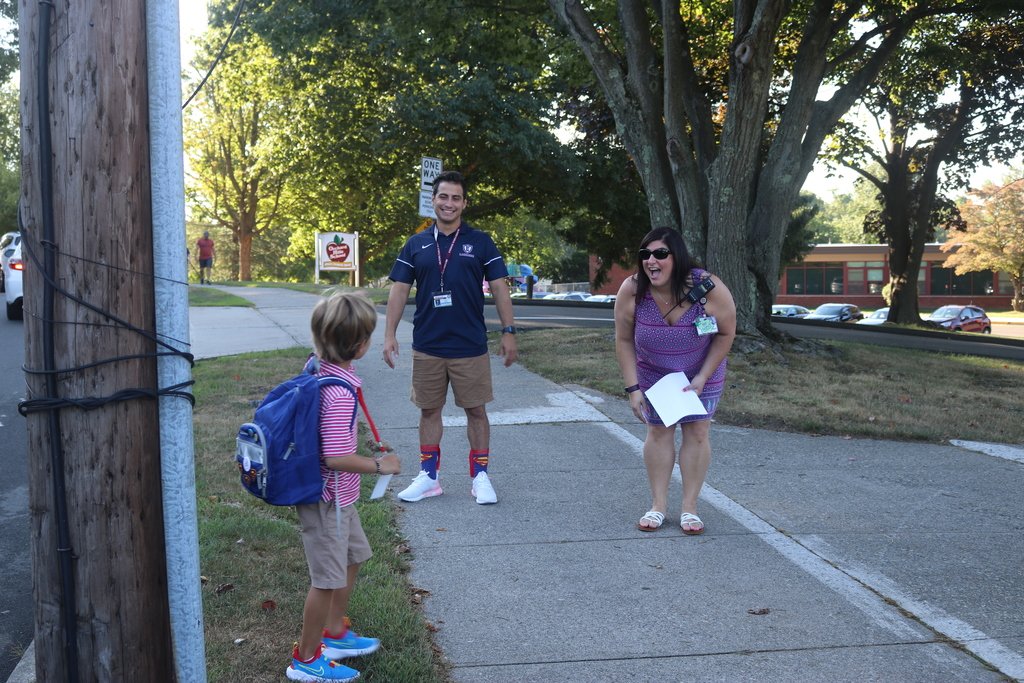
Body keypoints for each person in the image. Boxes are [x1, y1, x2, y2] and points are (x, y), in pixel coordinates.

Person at [383, 170, 518, 505]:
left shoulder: (481, 241)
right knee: (429, 411)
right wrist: (388, 335)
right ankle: (429, 477)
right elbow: (400, 290)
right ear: (433, 201)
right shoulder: (416, 244)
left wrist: (509, 331)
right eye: (443, 196)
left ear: (464, 203)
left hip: (469, 345)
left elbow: (500, 287)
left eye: (456, 198)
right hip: (428, 344)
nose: (449, 203)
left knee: (476, 411)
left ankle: (480, 477)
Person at [286, 292, 401, 682]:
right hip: (326, 501)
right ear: (361, 344)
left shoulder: (322, 370)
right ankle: (305, 659)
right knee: (325, 580)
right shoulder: (336, 392)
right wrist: (378, 464)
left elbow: (332, 440)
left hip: (341, 498)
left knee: (353, 558)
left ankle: (334, 633)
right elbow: (334, 457)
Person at [613, 227, 736, 535]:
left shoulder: (709, 288)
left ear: (676, 257)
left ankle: (690, 508)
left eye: (660, 254)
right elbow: (623, 340)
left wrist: (703, 376)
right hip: (654, 373)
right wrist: (633, 389)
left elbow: (725, 333)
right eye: (645, 255)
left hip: (702, 373)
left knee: (696, 432)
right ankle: (658, 506)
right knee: (658, 432)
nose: (651, 261)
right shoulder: (632, 290)